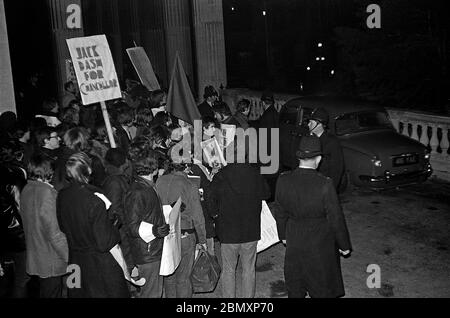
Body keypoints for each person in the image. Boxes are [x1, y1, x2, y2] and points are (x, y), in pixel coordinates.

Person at [274, 135, 352, 298]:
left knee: (295, 289)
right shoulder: (324, 184)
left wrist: (283, 236)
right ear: (318, 158)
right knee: (321, 288)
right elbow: (335, 219)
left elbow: (280, 212)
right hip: (320, 245)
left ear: (299, 157)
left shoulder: (283, 180)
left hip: (294, 240)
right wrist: (344, 245)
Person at [56, 152, 130, 298]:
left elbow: (63, 227)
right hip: (99, 265)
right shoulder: (94, 201)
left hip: (75, 262)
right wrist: (114, 226)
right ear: (88, 170)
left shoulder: (62, 195)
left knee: (77, 292)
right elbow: (104, 242)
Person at [207, 142, 270, 298]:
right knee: (249, 269)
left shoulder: (221, 175)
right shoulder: (255, 173)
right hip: (250, 230)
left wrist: (215, 215)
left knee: (228, 270)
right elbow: (267, 193)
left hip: (228, 231)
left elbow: (209, 198)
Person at [155, 158, 207, 298]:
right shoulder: (189, 185)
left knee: (169, 277)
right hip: (185, 235)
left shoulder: (159, 181)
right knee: (183, 278)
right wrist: (202, 240)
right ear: (186, 167)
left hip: (164, 235)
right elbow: (198, 216)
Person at [124, 143, 169, 298]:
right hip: (147, 252)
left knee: (155, 291)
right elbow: (131, 226)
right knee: (151, 293)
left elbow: (149, 213)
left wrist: (169, 209)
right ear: (154, 168)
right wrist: (155, 230)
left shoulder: (146, 186)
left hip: (152, 249)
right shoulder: (138, 191)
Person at [20, 155, 68, 298]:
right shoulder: (47, 193)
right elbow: (54, 232)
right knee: (53, 292)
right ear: (48, 171)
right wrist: (69, 256)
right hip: (50, 257)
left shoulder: (27, 188)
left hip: (36, 252)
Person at [308, 107, 345, 191]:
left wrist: (330, 189)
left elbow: (337, 169)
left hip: (323, 187)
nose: (308, 125)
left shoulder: (332, 142)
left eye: (311, 122)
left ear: (319, 124)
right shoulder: (309, 139)